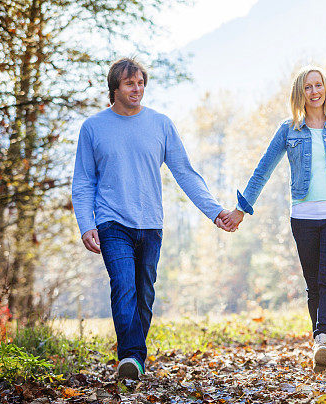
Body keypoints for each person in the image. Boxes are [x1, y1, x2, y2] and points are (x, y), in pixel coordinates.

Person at [71, 57, 233, 380]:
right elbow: (83, 181)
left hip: (150, 224)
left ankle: (134, 359)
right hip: (111, 222)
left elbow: (185, 173)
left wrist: (215, 211)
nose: (137, 88)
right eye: (130, 83)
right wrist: (86, 224)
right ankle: (130, 357)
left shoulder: (160, 125)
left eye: (141, 82)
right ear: (114, 88)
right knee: (123, 286)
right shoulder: (93, 128)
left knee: (144, 294)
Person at [222, 66, 326, 372]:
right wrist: (241, 209)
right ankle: (322, 349)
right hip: (303, 216)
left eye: (318, 86)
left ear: (325, 88)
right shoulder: (289, 129)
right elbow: (263, 170)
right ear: (299, 93)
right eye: (308, 87)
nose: (314, 92)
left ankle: (323, 340)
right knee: (313, 285)